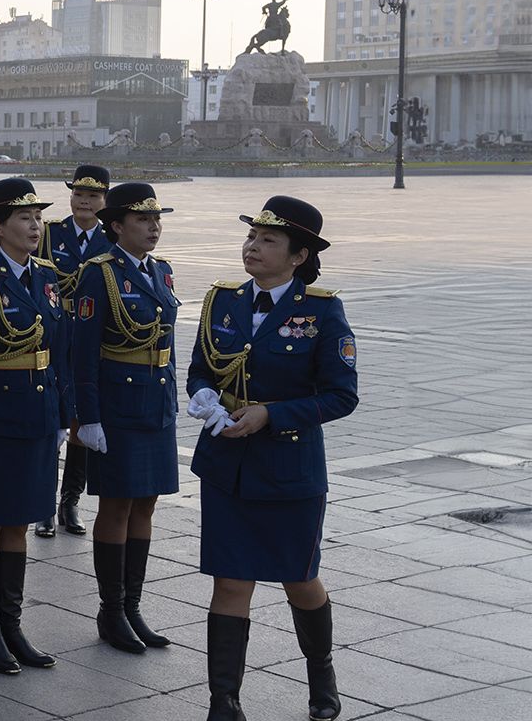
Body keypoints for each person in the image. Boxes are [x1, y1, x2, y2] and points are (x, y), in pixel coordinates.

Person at [188, 196, 354, 721]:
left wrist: (271, 415)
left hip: (288, 468)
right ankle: (224, 701)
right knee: (231, 580)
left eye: (268, 241)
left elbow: (340, 395)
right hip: (226, 466)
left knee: (298, 579)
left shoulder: (322, 310)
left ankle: (321, 674)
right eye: (251, 238)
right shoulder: (222, 300)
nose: (253, 248)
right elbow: (200, 369)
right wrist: (205, 400)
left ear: (299, 256)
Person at [0, 177, 72, 675]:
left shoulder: (46, 276)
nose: (35, 226)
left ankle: (12, 624)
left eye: (39, 218)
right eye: (25, 218)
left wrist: (63, 416)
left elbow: (58, 351)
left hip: (37, 416)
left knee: (20, 520)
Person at [69, 182, 181, 656]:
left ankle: (133, 605)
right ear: (117, 226)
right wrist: (87, 417)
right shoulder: (99, 274)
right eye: (142, 220)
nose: (154, 228)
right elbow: (83, 352)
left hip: (156, 403)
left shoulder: (162, 270)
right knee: (115, 507)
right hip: (117, 405)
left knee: (146, 505)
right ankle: (110, 609)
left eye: (157, 220)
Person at [36, 164, 110, 538]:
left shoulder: (113, 238)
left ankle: (71, 501)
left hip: (91, 337)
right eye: (79, 194)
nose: (85, 201)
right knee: (53, 417)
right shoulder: (50, 233)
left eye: (93, 196)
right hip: (55, 333)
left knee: (81, 418)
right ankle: (43, 505)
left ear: (105, 201)